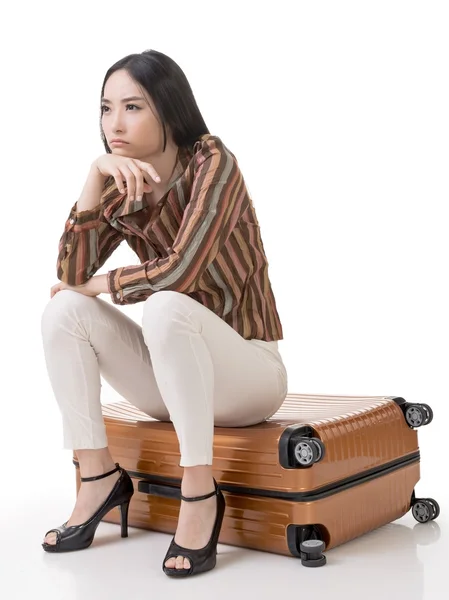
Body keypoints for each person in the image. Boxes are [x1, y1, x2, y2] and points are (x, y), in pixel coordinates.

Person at [40, 49, 288, 577]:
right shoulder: (118, 181)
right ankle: (98, 476)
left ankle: (200, 491)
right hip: (175, 381)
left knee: (166, 304)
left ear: (168, 110)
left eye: (133, 107)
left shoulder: (212, 162)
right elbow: (68, 273)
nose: (115, 124)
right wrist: (93, 177)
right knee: (63, 313)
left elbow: (180, 272)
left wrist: (101, 283)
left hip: (250, 375)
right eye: (106, 109)